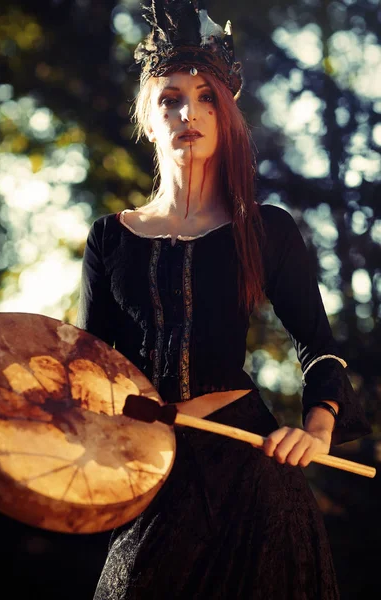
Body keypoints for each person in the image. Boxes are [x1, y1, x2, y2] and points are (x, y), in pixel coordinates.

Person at [76, 2, 371, 598]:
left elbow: (318, 347)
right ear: (148, 117)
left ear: (228, 116)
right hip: (150, 468)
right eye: (171, 98)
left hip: (253, 470)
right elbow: (92, 369)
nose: (190, 112)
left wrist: (316, 428)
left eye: (207, 97)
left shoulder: (265, 228)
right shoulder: (109, 238)